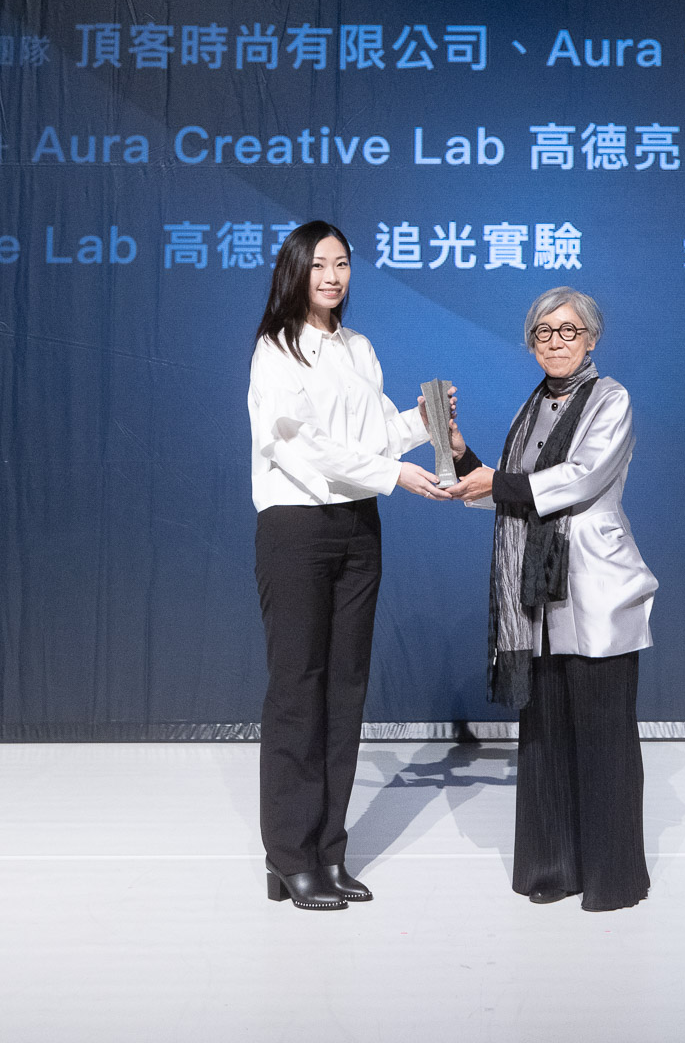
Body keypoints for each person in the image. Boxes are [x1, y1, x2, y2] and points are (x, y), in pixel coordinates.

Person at [248, 220, 449, 911]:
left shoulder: (358, 347)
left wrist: (423, 421)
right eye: (319, 265)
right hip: (297, 526)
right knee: (298, 688)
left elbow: (373, 436)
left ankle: (328, 853)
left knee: (345, 690)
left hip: (359, 526)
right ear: (294, 271)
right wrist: (394, 475)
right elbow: (302, 446)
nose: (332, 277)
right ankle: (288, 855)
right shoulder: (276, 349)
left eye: (341, 264)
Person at [447, 287, 657, 912]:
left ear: (592, 338)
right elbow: (510, 493)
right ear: (530, 343)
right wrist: (462, 457)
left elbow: (579, 478)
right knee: (545, 738)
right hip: (538, 600)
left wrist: (498, 482)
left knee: (603, 737)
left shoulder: (611, 398)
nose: (556, 342)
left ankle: (614, 878)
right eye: (544, 331)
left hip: (595, 590)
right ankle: (552, 868)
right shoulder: (531, 406)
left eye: (569, 331)